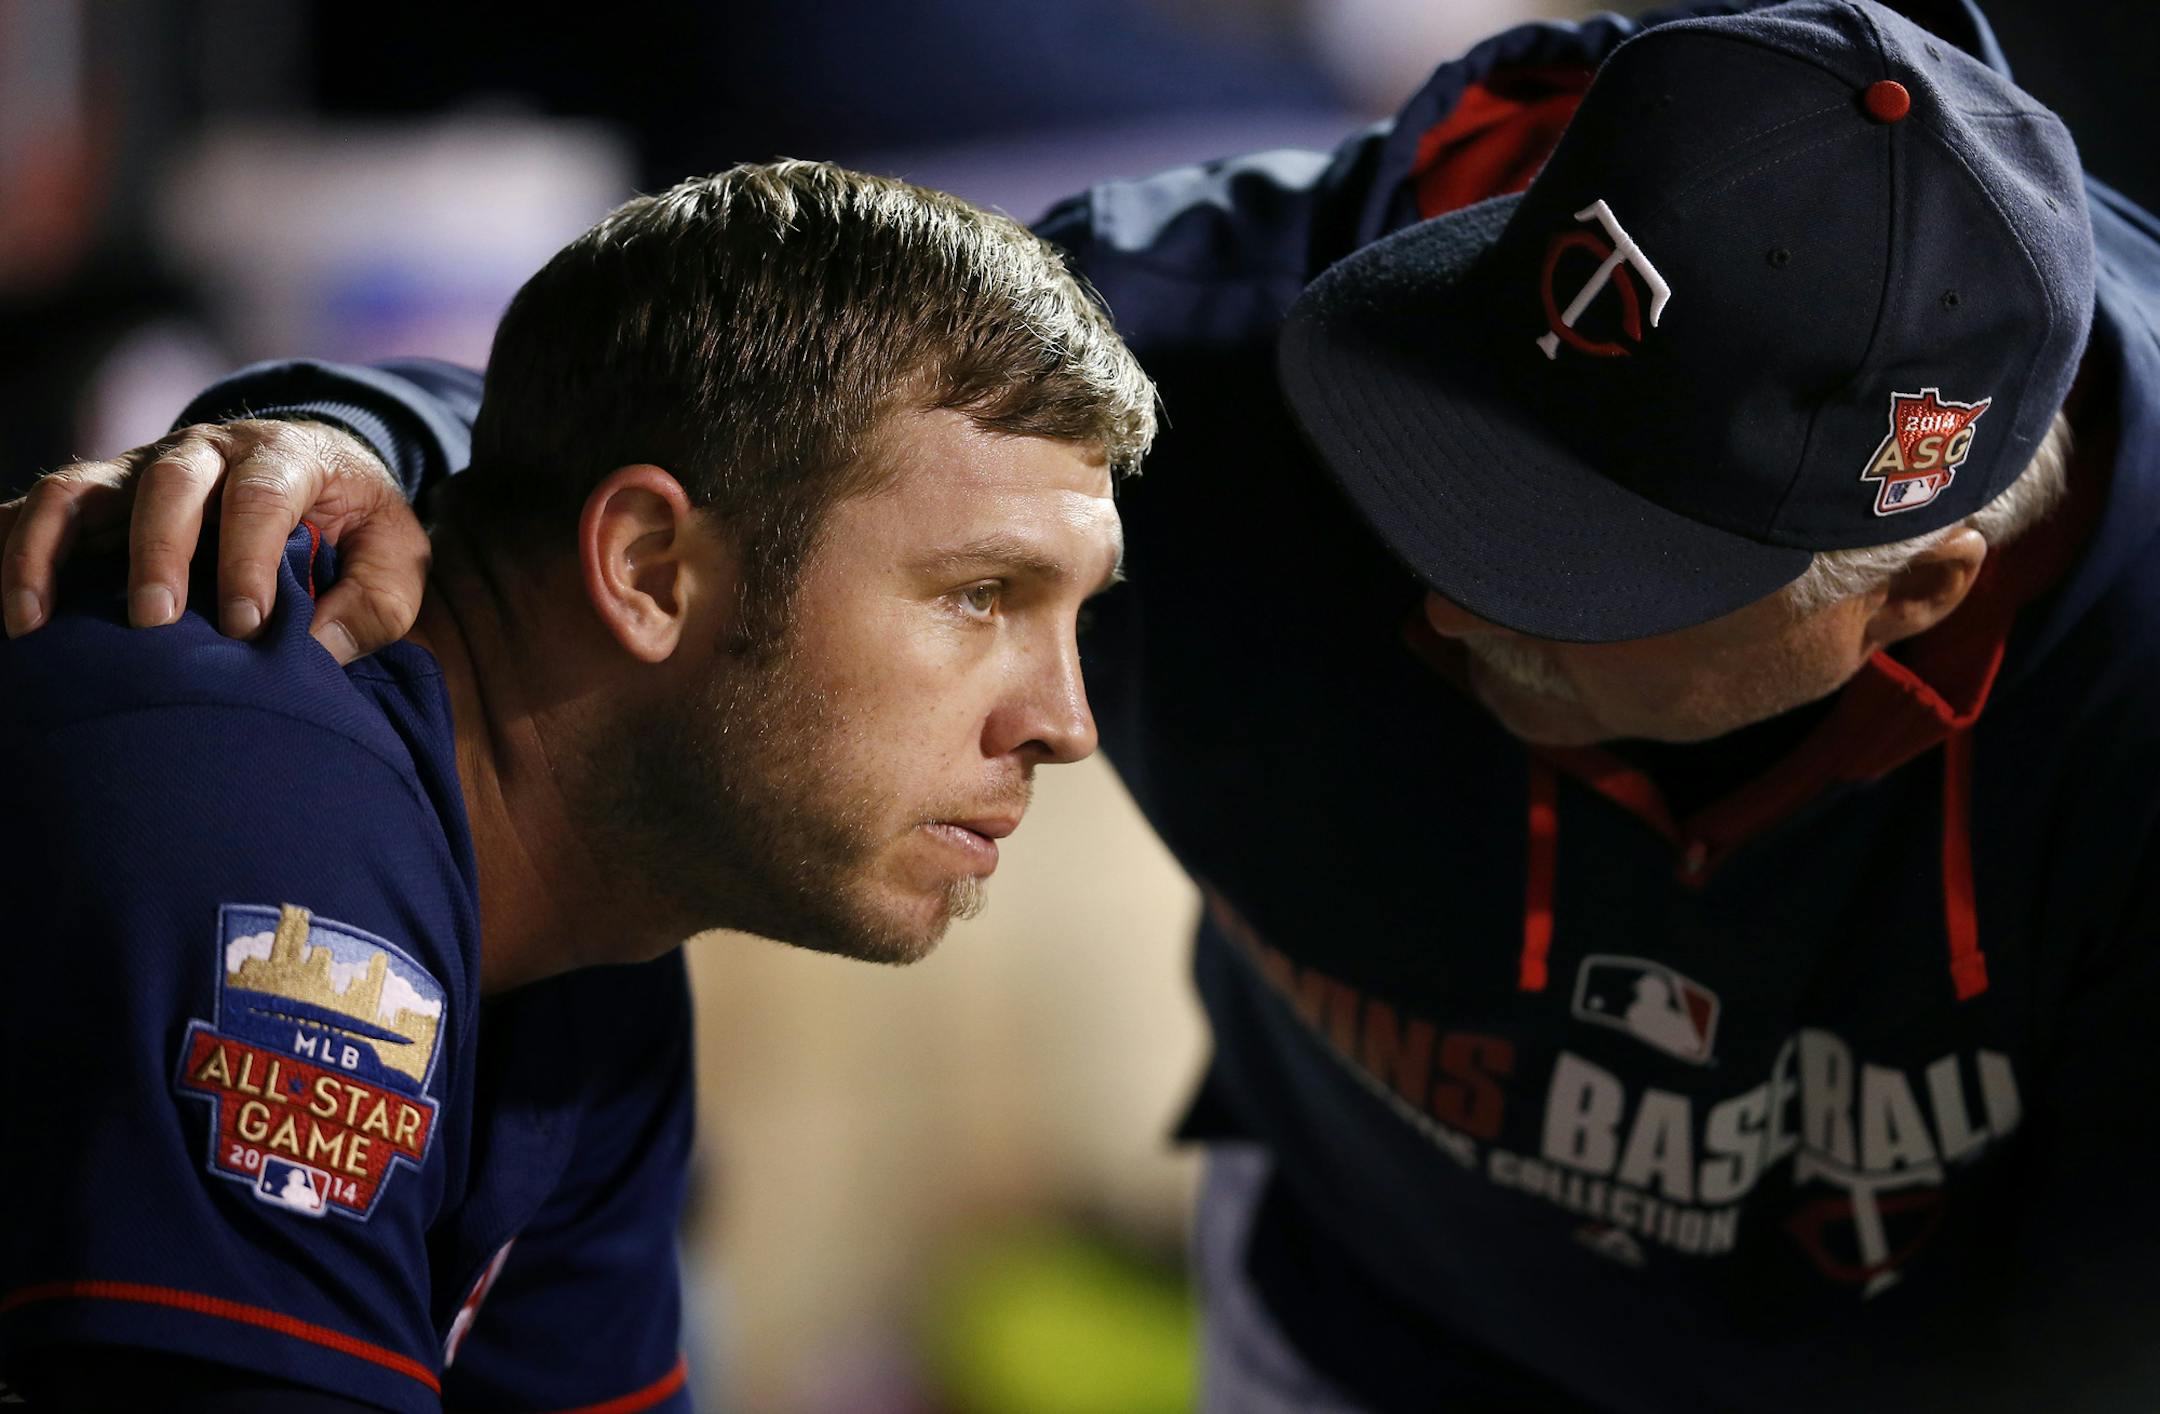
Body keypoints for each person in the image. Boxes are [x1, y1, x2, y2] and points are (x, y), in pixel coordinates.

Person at [12, 1, 2160, 1408]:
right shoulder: (1246, 347)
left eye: (1575, 570)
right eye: (1472, 467)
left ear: (1922, 590)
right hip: (1370, 1314)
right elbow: (744, 394)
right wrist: (347, 419)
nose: (1447, 589)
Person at [0, 160, 1149, 1410]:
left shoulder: (601, 944)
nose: (1065, 724)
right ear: (650, 568)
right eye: (980, 596)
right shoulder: (263, 808)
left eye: (1072, 616)